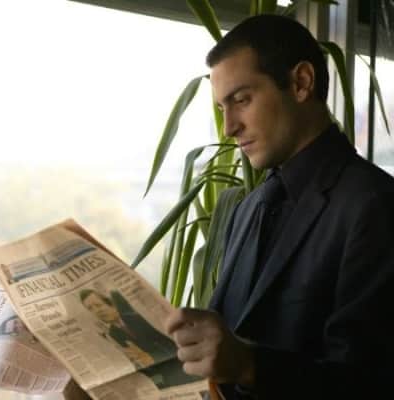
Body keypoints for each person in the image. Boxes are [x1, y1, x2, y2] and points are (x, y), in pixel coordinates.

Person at [165, 14, 394, 399]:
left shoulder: (376, 204)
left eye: (241, 100)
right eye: (222, 107)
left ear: (301, 82)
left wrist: (249, 365)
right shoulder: (246, 209)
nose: (229, 127)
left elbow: (370, 384)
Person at [80, 289, 176, 366]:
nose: (97, 311)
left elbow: (166, 341)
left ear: (112, 305)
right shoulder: (112, 334)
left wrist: (152, 358)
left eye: (98, 305)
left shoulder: (138, 317)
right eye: (90, 309)